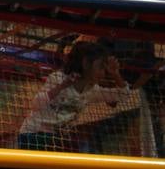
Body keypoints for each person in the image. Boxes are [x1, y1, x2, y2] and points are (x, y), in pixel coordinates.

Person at [17, 40, 145, 152]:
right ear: (86, 64)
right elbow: (36, 104)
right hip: (33, 135)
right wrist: (63, 86)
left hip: (54, 138)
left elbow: (123, 95)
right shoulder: (59, 78)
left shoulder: (91, 91)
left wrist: (115, 74)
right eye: (100, 67)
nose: (103, 73)